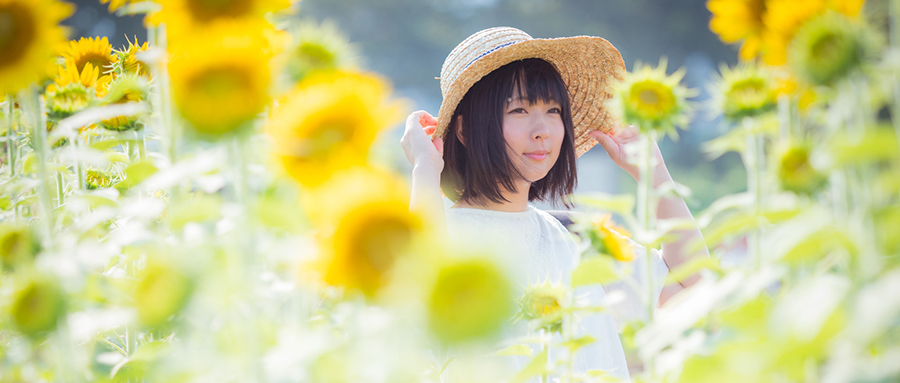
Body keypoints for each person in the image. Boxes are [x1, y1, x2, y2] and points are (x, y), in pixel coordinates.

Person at [400, 27, 709, 381]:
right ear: (465, 130)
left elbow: (693, 291)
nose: (542, 129)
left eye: (553, 109)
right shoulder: (442, 235)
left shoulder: (576, 235)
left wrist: (653, 173)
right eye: (518, 110)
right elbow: (410, 315)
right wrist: (425, 171)